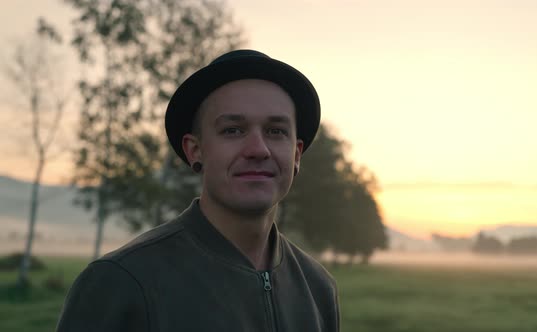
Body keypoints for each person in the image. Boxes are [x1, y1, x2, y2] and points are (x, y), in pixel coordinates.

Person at [56, 49, 340, 332]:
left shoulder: (318, 288)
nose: (258, 149)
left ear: (297, 155)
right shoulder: (122, 284)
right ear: (195, 150)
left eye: (276, 131)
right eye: (233, 130)